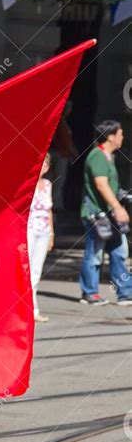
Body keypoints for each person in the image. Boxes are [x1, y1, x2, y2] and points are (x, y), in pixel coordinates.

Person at [79, 120, 132, 305]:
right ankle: (89, 293)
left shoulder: (110, 157)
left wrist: (121, 200)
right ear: (110, 137)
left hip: (110, 214)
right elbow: (101, 185)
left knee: (119, 252)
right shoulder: (98, 156)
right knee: (94, 254)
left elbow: (111, 185)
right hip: (97, 214)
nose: (122, 137)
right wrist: (118, 208)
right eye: (120, 134)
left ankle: (125, 293)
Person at [27, 152, 54, 322]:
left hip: (43, 230)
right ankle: (28, 308)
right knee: (27, 270)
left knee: (36, 271)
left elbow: (49, 210)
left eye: (45, 164)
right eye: (40, 163)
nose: (42, 167)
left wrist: (51, 233)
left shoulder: (47, 184)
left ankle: (33, 309)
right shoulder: (27, 183)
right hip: (28, 230)